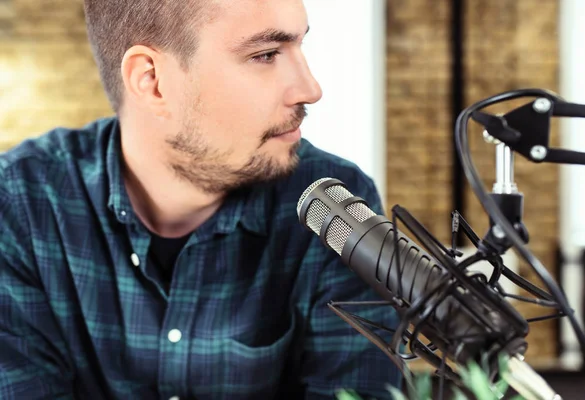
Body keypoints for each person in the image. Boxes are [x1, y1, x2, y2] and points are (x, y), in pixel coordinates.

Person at [0, 0, 401, 398]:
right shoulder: (19, 205)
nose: (310, 90)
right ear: (151, 80)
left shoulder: (332, 204)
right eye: (265, 55)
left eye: (300, 47)